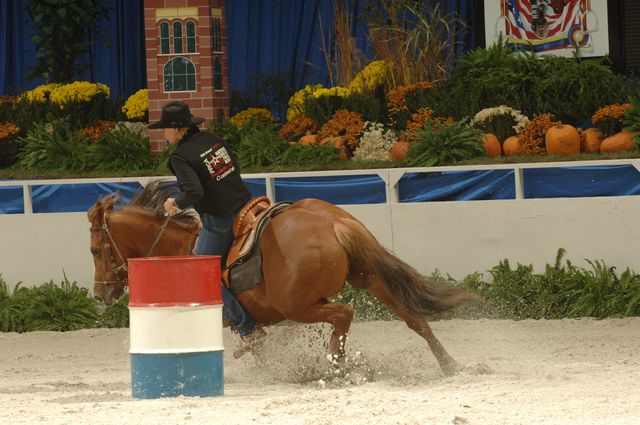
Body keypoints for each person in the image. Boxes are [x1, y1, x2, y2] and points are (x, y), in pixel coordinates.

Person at [149, 100, 266, 357]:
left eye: (166, 128)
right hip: (246, 205)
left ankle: (248, 329)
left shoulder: (179, 157)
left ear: (179, 129)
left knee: (201, 275)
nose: (163, 133)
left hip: (220, 219)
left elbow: (194, 191)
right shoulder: (213, 140)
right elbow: (233, 167)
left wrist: (175, 203)